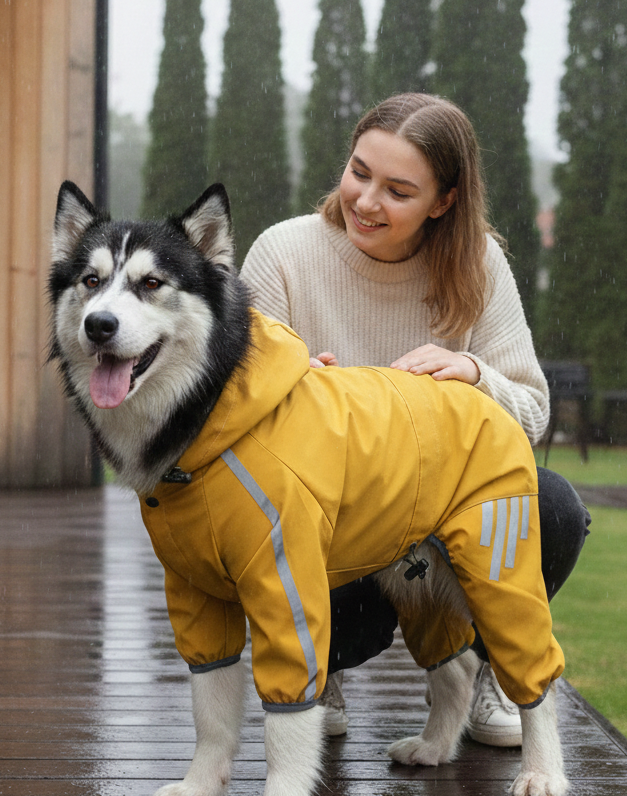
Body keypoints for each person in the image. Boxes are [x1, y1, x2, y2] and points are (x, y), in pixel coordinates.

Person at [240, 92, 590, 745]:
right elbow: (237, 408)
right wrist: (290, 389)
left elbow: (533, 412)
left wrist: (478, 377)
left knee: (554, 508)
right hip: (334, 513)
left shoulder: (479, 263)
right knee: (287, 543)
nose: (367, 201)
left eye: (399, 191)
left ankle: (494, 666)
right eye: (359, 172)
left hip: (450, 501)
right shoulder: (282, 252)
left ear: (444, 201)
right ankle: (322, 670)